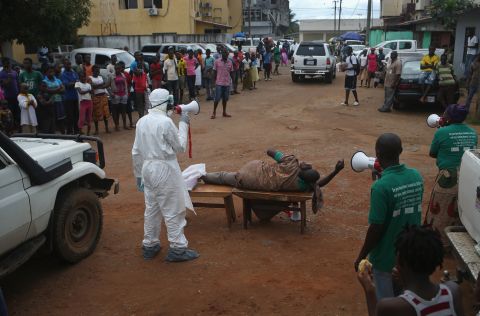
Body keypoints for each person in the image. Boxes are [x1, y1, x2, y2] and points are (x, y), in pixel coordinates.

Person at [131, 88, 199, 262]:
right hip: (164, 169)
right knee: (173, 210)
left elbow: (136, 152)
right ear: (165, 102)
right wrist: (183, 123)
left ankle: (150, 245)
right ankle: (177, 249)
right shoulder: (165, 122)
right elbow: (180, 147)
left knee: (152, 209)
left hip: (147, 168)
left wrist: (139, 175)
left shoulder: (141, 121)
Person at [355, 133, 424, 300]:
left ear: (377, 153)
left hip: (385, 258)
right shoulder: (416, 176)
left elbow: (376, 227)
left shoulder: (381, 187)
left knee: (386, 304)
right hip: (410, 253)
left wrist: (362, 255)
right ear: (400, 151)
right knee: (407, 300)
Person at [357, 225, 464, 316]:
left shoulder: (390, 307)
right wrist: (405, 283)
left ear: (402, 263)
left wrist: (369, 290)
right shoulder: (453, 291)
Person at [202, 149, 344, 202]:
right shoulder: (301, 186)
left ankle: (201, 176)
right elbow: (319, 184)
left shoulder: (291, 163)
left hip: (250, 172)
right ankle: (202, 176)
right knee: (225, 177)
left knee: (222, 176)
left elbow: (270, 151)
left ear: (303, 169)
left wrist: (297, 161)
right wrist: (335, 171)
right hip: (251, 181)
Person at [425, 104, 478, 247]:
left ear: (448, 117)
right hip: (468, 176)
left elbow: (432, 153)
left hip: (448, 177)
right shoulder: (473, 132)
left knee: (441, 211)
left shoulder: (441, 132)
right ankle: (458, 242)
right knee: (462, 209)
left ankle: (439, 243)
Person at [211, 50, 233, 119]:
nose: (225, 55)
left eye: (226, 54)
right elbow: (214, 72)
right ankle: (214, 112)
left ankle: (224, 112)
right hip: (219, 83)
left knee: (225, 99)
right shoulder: (217, 61)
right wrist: (213, 83)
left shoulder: (230, 62)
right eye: (224, 53)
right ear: (222, 54)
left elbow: (231, 72)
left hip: (227, 83)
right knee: (217, 99)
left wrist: (232, 81)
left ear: (228, 55)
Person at [43, 65, 66, 134]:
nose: (51, 73)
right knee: (52, 120)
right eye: (49, 72)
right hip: (50, 103)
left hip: (59, 101)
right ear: (46, 73)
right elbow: (46, 90)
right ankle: (53, 134)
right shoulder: (44, 81)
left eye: (52, 72)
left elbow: (63, 90)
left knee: (61, 119)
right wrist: (58, 89)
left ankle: (63, 134)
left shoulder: (58, 80)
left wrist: (53, 90)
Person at [60, 59, 80, 134]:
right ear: (64, 65)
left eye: (69, 64)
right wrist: (75, 83)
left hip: (75, 96)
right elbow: (67, 85)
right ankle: (69, 131)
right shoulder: (63, 74)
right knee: (69, 116)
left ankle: (76, 130)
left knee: (76, 115)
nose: (68, 65)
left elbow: (78, 81)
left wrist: (74, 83)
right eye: (67, 64)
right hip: (68, 98)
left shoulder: (73, 72)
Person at [89, 65, 110, 134]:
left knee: (105, 113)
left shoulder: (100, 77)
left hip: (103, 96)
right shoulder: (90, 78)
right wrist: (101, 85)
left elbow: (105, 85)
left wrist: (98, 86)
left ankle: (106, 128)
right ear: (93, 71)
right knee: (96, 113)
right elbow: (92, 87)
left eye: (98, 71)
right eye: (96, 71)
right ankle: (96, 129)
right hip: (96, 97)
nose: (98, 72)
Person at [0, 57, 20, 128]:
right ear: (3, 63)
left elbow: (18, 83)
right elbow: (3, 84)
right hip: (7, 97)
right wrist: (9, 77)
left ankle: (18, 127)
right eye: (5, 62)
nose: (8, 63)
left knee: (17, 113)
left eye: (8, 62)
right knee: (9, 114)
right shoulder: (1, 73)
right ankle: (11, 129)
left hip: (16, 96)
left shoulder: (14, 72)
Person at [110, 64, 130, 131]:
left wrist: (126, 93)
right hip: (116, 95)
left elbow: (125, 84)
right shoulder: (112, 75)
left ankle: (124, 125)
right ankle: (117, 125)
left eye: (119, 68)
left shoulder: (123, 75)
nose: (118, 70)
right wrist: (111, 93)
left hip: (123, 94)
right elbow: (109, 85)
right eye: (116, 68)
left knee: (124, 111)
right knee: (116, 111)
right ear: (115, 69)